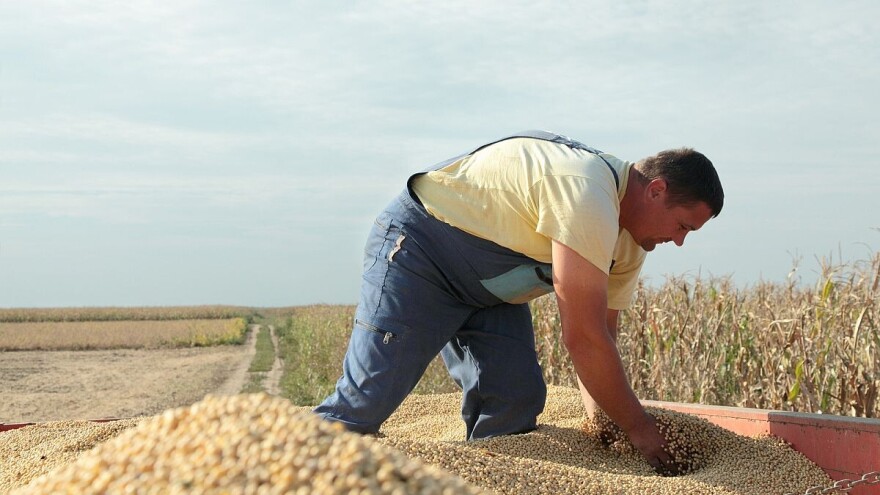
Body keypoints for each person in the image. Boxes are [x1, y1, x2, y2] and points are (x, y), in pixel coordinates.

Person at [314, 130, 724, 475]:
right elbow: (582, 338)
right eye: (683, 225)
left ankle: (484, 480)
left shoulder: (631, 245)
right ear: (656, 190)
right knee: (365, 402)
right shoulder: (585, 188)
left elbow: (603, 339)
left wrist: (605, 423)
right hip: (423, 251)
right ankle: (281, 471)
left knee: (513, 404)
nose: (680, 240)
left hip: (492, 292)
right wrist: (637, 426)